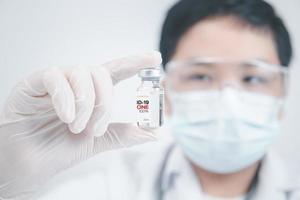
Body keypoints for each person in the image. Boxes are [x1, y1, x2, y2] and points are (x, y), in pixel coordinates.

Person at [0, 0, 299, 199]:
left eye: (254, 78)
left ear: (282, 94)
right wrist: (8, 180)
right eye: (200, 75)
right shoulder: (104, 191)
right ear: (164, 93)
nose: (229, 100)